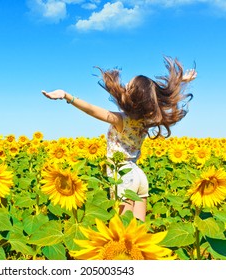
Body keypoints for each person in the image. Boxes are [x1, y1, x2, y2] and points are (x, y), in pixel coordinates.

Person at [42, 56, 197, 221]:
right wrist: (181, 81)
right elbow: (159, 97)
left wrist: (67, 96)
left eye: (128, 87)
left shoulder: (120, 120)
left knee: (123, 230)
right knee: (139, 232)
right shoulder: (148, 120)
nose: (123, 88)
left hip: (123, 176)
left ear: (133, 98)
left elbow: (92, 110)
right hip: (138, 175)